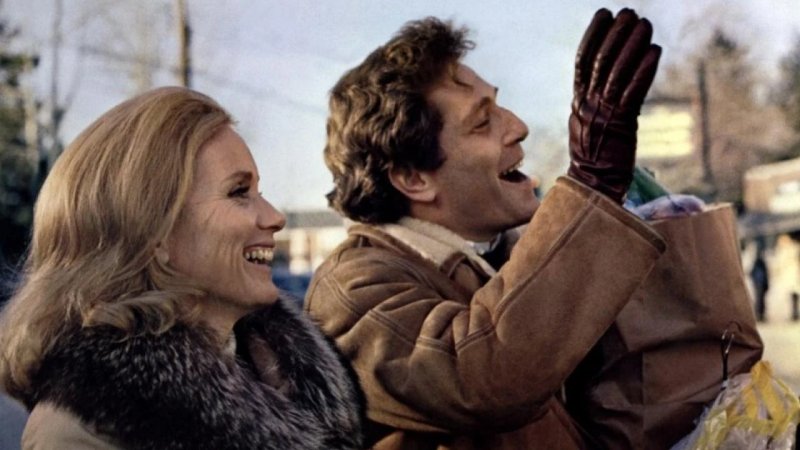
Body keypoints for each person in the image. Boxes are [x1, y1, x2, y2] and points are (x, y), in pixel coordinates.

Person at [306, 8, 667, 449]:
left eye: (499, 105)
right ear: (414, 178)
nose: (517, 127)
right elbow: (482, 378)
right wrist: (592, 184)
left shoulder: (507, 253)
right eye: (482, 121)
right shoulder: (353, 289)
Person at [0, 87, 364, 449]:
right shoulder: (78, 433)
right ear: (154, 233)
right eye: (239, 192)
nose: (275, 217)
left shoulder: (280, 372)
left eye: (259, 192)